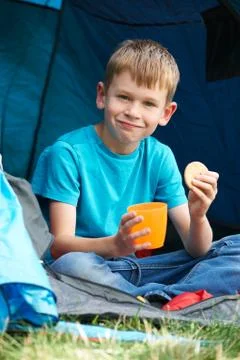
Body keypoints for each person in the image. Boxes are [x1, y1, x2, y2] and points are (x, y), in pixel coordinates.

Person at [32, 39, 240, 302]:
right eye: (124, 97)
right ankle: (159, 300)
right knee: (72, 266)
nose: (133, 112)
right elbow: (60, 245)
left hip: (138, 271)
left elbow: (197, 249)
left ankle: (148, 299)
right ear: (102, 95)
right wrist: (114, 245)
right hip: (87, 267)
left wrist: (198, 216)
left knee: (235, 251)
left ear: (166, 113)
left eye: (148, 104)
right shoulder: (68, 153)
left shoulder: (159, 156)